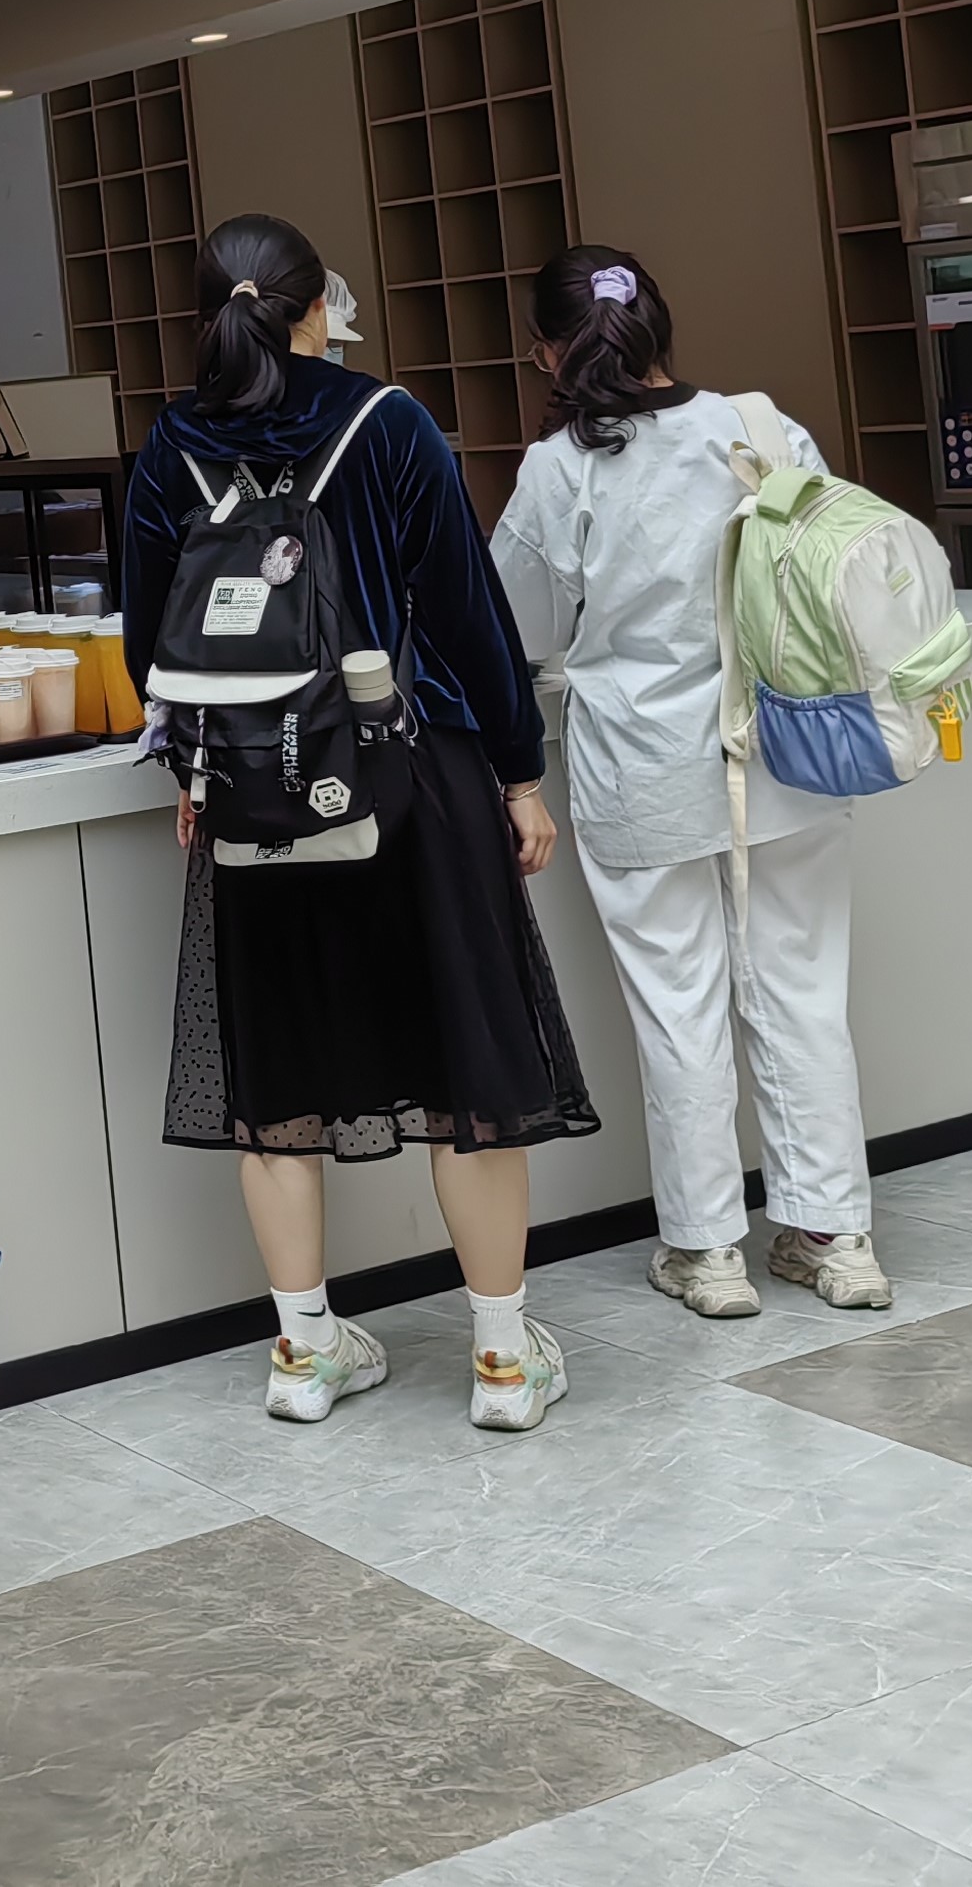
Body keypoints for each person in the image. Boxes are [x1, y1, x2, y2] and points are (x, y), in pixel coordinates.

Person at [122, 216, 596, 1436]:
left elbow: (148, 642)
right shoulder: (386, 421)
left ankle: (304, 1351)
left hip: (253, 798)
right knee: (469, 1076)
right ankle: (502, 1361)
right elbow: (470, 616)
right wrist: (519, 774)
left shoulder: (173, 444)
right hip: (411, 782)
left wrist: (191, 764)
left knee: (275, 1088)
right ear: (314, 308)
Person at [492, 246, 887, 1319]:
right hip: (790, 755)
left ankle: (707, 1254)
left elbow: (515, 628)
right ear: (660, 329)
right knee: (801, 991)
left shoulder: (559, 470)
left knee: (680, 1011)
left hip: (644, 769)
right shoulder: (762, 428)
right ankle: (834, 1238)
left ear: (547, 353)